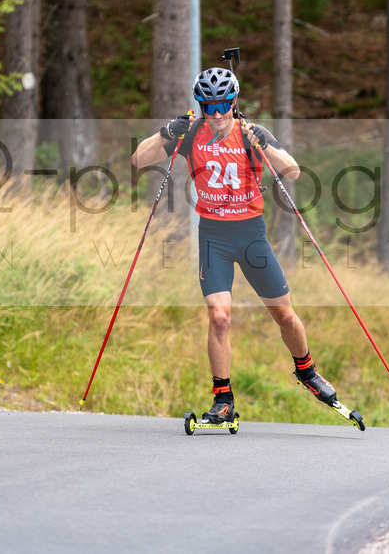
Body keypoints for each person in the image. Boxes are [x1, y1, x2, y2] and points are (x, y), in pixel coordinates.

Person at [131, 66, 340, 424]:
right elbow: (138, 160)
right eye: (208, 105)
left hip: (251, 236)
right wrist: (166, 131)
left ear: (234, 101)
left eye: (223, 105)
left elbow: (292, 170)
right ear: (200, 103)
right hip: (213, 237)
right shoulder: (191, 131)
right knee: (220, 317)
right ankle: (223, 398)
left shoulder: (249, 133)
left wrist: (264, 145)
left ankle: (306, 371)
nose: (216, 114)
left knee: (285, 316)